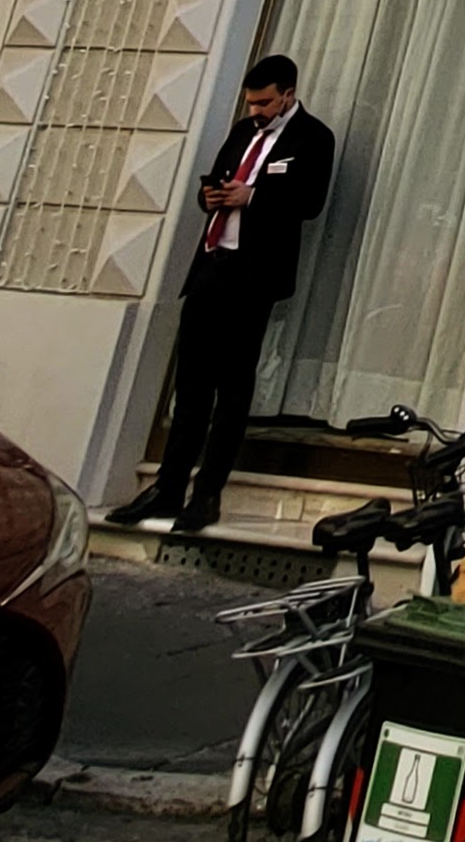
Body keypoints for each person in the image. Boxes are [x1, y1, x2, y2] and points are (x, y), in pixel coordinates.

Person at [107, 54, 335, 538]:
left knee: (232, 390)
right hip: (212, 267)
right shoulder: (242, 131)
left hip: (254, 277)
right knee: (190, 387)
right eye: (251, 103)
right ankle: (168, 487)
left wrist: (253, 198)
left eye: (265, 103)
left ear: (288, 95)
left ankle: (207, 493)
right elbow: (215, 181)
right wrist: (209, 196)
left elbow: (310, 203)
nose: (256, 111)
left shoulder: (312, 137)